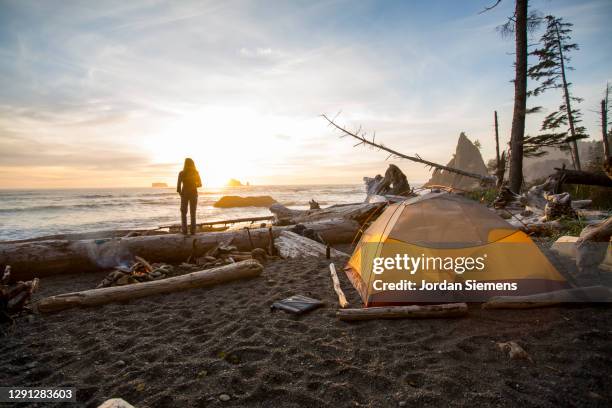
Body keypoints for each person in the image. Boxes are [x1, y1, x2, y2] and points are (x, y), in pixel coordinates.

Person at [176, 158, 202, 234]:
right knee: (193, 212)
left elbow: (178, 187)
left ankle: (184, 230)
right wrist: (193, 185)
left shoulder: (181, 173)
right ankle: (193, 231)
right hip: (194, 193)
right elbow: (200, 184)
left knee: (183, 212)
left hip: (184, 193)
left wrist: (181, 194)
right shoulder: (196, 172)